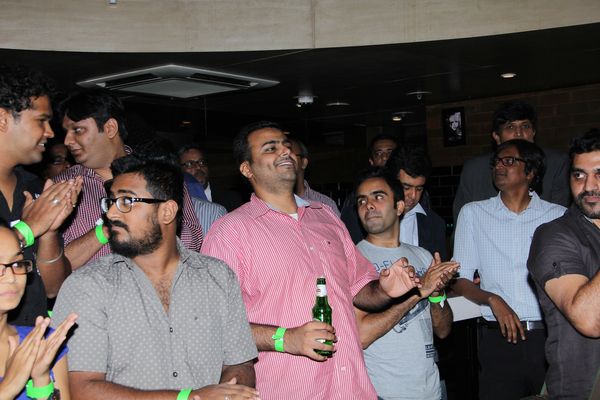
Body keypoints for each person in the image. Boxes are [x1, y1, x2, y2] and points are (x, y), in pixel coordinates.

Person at [201, 121, 434, 399]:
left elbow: (359, 289)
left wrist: (385, 289)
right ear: (247, 169)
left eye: (286, 145)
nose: (285, 151)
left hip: (351, 389)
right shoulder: (230, 232)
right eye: (270, 148)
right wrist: (286, 338)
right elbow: (213, 324)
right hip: (291, 390)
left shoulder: (325, 216)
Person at [51, 154, 259, 400]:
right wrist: (189, 397)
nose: (112, 214)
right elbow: (81, 389)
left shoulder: (217, 277)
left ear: (167, 211)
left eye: (126, 201)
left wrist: (227, 394)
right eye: (111, 202)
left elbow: (241, 364)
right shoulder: (88, 285)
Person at [452, 140, 566, 400]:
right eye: (496, 162)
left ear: (531, 172)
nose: (499, 167)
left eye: (509, 161)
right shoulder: (474, 213)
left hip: (549, 337)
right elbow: (460, 279)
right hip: (498, 339)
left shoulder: (558, 216)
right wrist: (492, 299)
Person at [56, 91, 202, 270]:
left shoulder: (161, 174)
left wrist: (151, 222)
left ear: (110, 128)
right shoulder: (61, 186)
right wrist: (107, 227)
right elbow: (55, 268)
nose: (67, 141)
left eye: (77, 130)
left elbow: (193, 243)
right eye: (66, 132)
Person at [353, 168, 458, 400]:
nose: (368, 205)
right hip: (384, 392)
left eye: (378, 196)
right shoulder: (353, 259)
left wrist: (437, 293)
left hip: (430, 389)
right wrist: (420, 292)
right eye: (362, 200)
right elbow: (361, 336)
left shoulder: (422, 256)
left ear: (399, 207)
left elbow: (443, 330)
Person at [0, 64, 82, 326]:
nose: (50, 132)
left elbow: (52, 289)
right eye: (41, 121)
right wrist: (29, 228)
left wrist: (48, 231)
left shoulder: (35, 186)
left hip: (31, 340)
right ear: (3, 119)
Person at [527, 128, 600, 399]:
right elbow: (589, 320)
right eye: (579, 175)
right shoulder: (555, 235)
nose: (589, 186)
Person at [453, 101, 570, 221]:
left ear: (533, 133)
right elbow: (462, 219)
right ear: (497, 136)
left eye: (525, 126)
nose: (519, 133)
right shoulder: (475, 170)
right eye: (510, 127)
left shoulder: (556, 163)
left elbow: (560, 220)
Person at [0, 222, 77, 400]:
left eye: (17, 264)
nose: (11, 277)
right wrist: (8, 387)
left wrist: (41, 380)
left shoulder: (42, 343)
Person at [386, 145, 448, 260]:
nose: (413, 196)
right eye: (406, 187)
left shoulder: (435, 225)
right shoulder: (367, 218)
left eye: (419, 189)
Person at [341, 134, 399, 243]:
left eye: (390, 153)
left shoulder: (413, 193)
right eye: (379, 153)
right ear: (371, 161)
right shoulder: (356, 196)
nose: (385, 157)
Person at [179, 144, 244, 211]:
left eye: (202, 162)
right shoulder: (177, 202)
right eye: (189, 164)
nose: (198, 167)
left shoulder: (231, 198)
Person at [289, 136, 340, 216]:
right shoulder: (270, 204)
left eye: (290, 156)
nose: (285, 161)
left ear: (304, 163)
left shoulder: (326, 205)